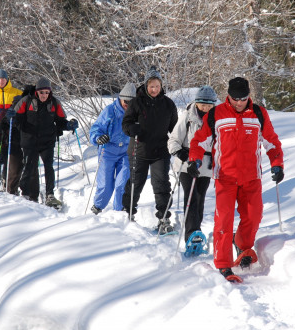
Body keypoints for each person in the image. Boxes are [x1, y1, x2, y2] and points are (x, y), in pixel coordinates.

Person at [188, 76, 284, 283]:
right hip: (226, 178)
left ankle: (241, 243)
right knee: (224, 220)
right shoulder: (216, 114)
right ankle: (223, 264)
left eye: (243, 98)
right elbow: (199, 141)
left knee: (254, 215)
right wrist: (194, 160)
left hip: (251, 178)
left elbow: (271, 142)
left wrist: (277, 164)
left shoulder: (258, 113)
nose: (239, 103)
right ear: (228, 96)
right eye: (235, 99)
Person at [121, 68, 178, 233]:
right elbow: (126, 124)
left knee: (161, 184)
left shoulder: (168, 104)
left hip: (160, 151)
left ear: (161, 85)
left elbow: (174, 129)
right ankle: (128, 213)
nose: (154, 89)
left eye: (157, 85)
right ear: (146, 86)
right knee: (135, 183)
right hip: (139, 150)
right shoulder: (136, 103)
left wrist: (179, 142)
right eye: (151, 86)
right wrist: (133, 129)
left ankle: (163, 218)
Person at [12, 77, 77, 209]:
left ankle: (50, 194)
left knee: (48, 166)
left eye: (47, 93)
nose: (44, 95)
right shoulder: (27, 101)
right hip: (30, 140)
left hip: (47, 140)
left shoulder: (54, 103)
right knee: (29, 166)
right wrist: (12, 119)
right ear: (37, 91)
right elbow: (16, 118)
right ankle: (25, 192)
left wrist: (69, 125)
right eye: (42, 92)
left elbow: (61, 121)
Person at [168, 85, 218, 254]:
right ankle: (192, 234)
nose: (205, 108)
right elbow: (173, 140)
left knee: (200, 198)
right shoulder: (187, 117)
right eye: (203, 104)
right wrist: (182, 154)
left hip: (206, 165)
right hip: (187, 164)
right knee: (192, 197)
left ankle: (196, 232)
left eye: (209, 105)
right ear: (196, 102)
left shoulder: (217, 119)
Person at [88, 83, 136, 215]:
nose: (128, 105)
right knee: (105, 185)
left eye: (131, 102)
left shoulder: (135, 113)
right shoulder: (110, 111)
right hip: (108, 151)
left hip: (126, 152)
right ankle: (97, 207)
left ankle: (119, 211)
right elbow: (96, 129)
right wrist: (99, 138)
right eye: (126, 101)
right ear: (120, 99)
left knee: (122, 183)